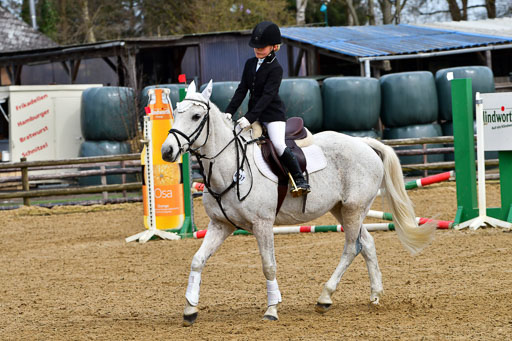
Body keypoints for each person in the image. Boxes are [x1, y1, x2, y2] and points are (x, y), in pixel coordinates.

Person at [225, 21, 310, 196]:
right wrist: (228, 112)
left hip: (272, 115)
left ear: (274, 47)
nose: (257, 49)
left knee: (278, 144)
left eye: (262, 47)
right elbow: (242, 90)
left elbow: (267, 97)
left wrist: (249, 117)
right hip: (254, 116)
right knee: (239, 140)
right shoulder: (250, 64)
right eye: (256, 46)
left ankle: (299, 178)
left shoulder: (276, 68)